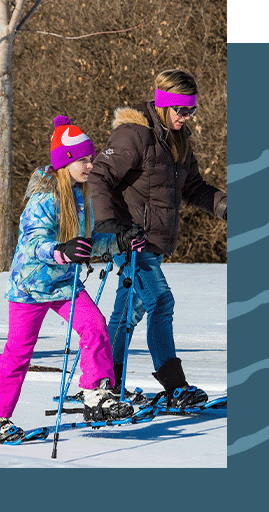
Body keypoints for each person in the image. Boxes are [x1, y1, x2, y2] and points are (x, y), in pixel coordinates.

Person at [0, 116, 142, 443]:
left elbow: (85, 245)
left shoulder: (79, 198)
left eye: (91, 157)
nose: (89, 163)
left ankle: (96, 394)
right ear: (65, 162)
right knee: (19, 352)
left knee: (94, 326)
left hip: (65, 284)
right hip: (32, 286)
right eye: (83, 159)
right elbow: (34, 243)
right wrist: (62, 251)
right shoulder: (45, 198)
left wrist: (118, 242)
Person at [88, 69, 227, 408]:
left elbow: (193, 188)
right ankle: (174, 386)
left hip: (153, 243)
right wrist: (108, 225)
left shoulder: (178, 139)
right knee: (161, 302)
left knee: (128, 311)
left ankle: (108, 382)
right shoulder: (134, 134)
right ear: (165, 104)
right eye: (182, 110)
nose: (187, 116)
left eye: (192, 110)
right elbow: (98, 177)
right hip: (130, 241)